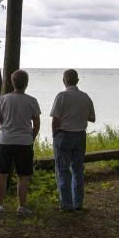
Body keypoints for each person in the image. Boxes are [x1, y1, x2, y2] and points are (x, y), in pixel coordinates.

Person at [0, 69, 41, 217]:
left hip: (4, 140)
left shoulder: (3, 99)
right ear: (26, 84)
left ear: (12, 83)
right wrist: (31, 137)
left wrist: (1, 130)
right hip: (24, 142)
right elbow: (36, 123)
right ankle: (21, 207)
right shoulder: (32, 100)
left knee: (1, 174)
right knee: (23, 176)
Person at [50, 69, 95, 211]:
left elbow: (55, 120)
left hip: (64, 136)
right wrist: (79, 115)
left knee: (63, 170)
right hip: (80, 136)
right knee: (78, 170)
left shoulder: (61, 96)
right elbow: (92, 118)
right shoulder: (85, 97)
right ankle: (78, 204)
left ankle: (66, 205)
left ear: (64, 81)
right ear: (77, 81)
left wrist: (54, 135)